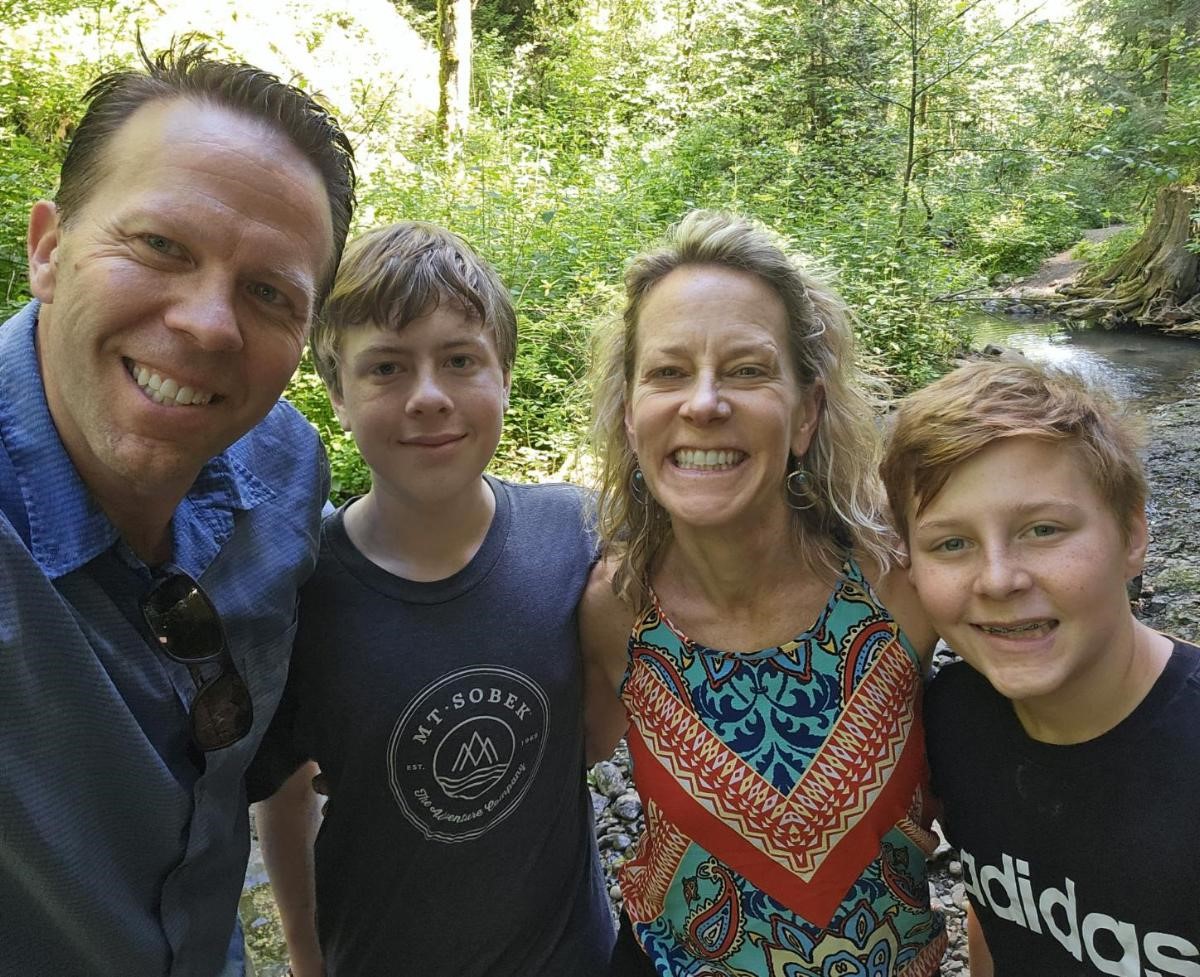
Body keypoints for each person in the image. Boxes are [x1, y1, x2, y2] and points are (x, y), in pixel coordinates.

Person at [0, 37, 355, 977]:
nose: (208, 322)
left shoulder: (285, 475)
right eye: (160, 245)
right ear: (48, 247)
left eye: (269, 292)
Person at [583, 210, 947, 976]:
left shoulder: (899, 578)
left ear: (807, 413)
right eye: (668, 372)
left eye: (747, 370)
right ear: (630, 414)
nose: (705, 403)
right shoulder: (614, 610)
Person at [247, 221, 615, 977]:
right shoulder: (300, 582)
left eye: (460, 360)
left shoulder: (574, 533)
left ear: (504, 375)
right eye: (386, 368)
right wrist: (307, 952)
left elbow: (591, 728)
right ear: (339, 396)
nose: (428, 397)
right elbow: (283, 795)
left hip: (574, 953)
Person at [881, 360, 1200, 977]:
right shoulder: (953, 717)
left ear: (1133, 534)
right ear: (911, 566)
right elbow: (994, 917)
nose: (999, 579)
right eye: (952, 543)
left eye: (1043, 529)